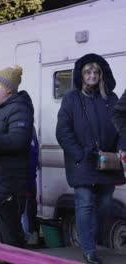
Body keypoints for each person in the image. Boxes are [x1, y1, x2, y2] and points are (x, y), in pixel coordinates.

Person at [57, 54, 125, 264]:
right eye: (88, 72)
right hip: (83, 162)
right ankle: (88, 249)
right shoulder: (71, 99)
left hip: (108, 163)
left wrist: (122, 148)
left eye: (96, 72)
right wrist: (79, 154)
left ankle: (89, 239)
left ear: (101, 75)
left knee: (105, 206)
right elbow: (63, 131)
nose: (92, 76)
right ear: (82, 75)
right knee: (85, 203)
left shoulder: (111, 99)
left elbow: (122, 128)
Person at [0, 65, 34, 248]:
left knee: (11, 236)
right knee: (1, 235)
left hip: (9, 183)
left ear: (7, 88)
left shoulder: (19, 109)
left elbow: (19, 140)